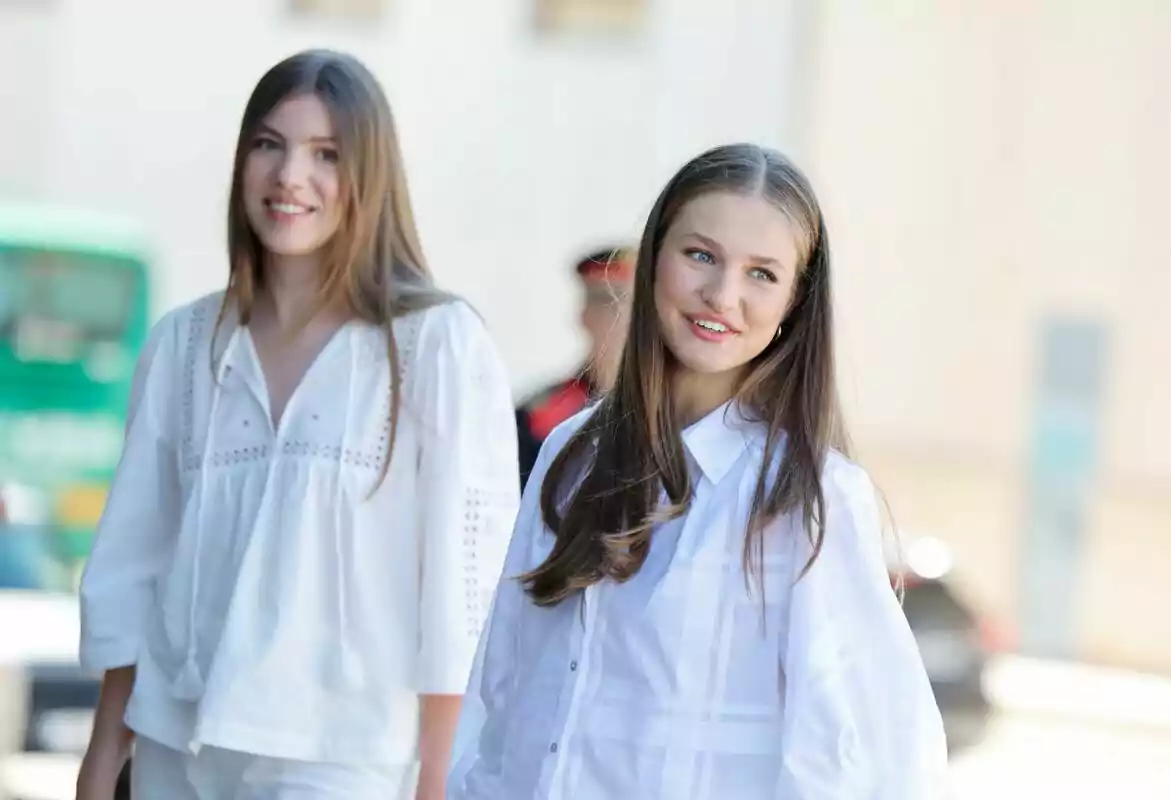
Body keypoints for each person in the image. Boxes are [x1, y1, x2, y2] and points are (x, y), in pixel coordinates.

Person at [75, 50, 521, 799]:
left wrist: (440, 780)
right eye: (268, 144)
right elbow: (134, 559)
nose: (290, 177)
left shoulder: (437, 344)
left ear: (369, 176)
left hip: (343, 758)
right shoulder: (185, 344)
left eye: (327, 155)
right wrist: (100, 758)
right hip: (174, 745)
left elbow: (465, 590)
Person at [448, 143, 948, 798]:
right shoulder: (571, 454)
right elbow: (505, 695)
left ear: (795, 303)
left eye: (762, 274)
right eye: (702, 256)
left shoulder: (811, 498)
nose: (722, 295)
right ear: (655, 258)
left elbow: (876, 751)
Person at [514, 245, 634, 488]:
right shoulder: (542, 416)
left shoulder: (681, 411)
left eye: (627, 299)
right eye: (604, 300)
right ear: (583, 314)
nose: (620, 314)